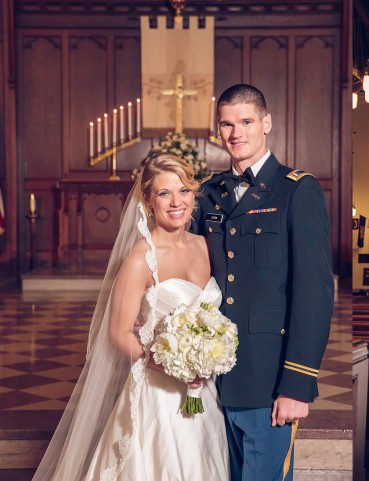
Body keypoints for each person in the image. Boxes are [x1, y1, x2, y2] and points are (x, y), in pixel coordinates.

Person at [32, 154, 229, 480]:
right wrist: (169, 363)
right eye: (164, 194)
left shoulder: (207, 245)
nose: (176, 202)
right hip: (159, 393)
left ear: (194, 194)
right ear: (149, 201)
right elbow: (119, 333)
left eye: (183, 191)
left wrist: (209, 356)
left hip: (206, 391)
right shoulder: (142, 257)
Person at [191, 83, 334, 481]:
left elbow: (314, 293)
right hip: (214, 377)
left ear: (266, 123)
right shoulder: (207, 195)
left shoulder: (296, 190)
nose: (236, 132)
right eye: (226, 124)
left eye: (246, 121)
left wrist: (297, 383)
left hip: (269, 381)